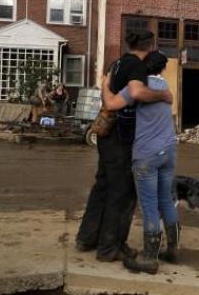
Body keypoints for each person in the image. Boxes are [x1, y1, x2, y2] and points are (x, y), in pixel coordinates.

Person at [75, 30, 172, 262]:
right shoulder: (136, 66)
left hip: (106, 135)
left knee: (103, 187)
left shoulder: (117, 63)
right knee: (123, 192)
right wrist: (162, 95)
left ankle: (87, 238)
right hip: (122, 138)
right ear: (149, 47)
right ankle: (110, 248)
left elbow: (106, 88)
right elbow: (137, 92)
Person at [102, 50, 179, 274]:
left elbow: (111, 105)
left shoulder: (137, 88)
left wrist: (105, 83)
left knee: (149, 206)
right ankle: (173, 249)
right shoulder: (166, 89)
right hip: (169, 151)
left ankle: (149, 258)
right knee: (166, 199)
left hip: (147, 154)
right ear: (162, 68)